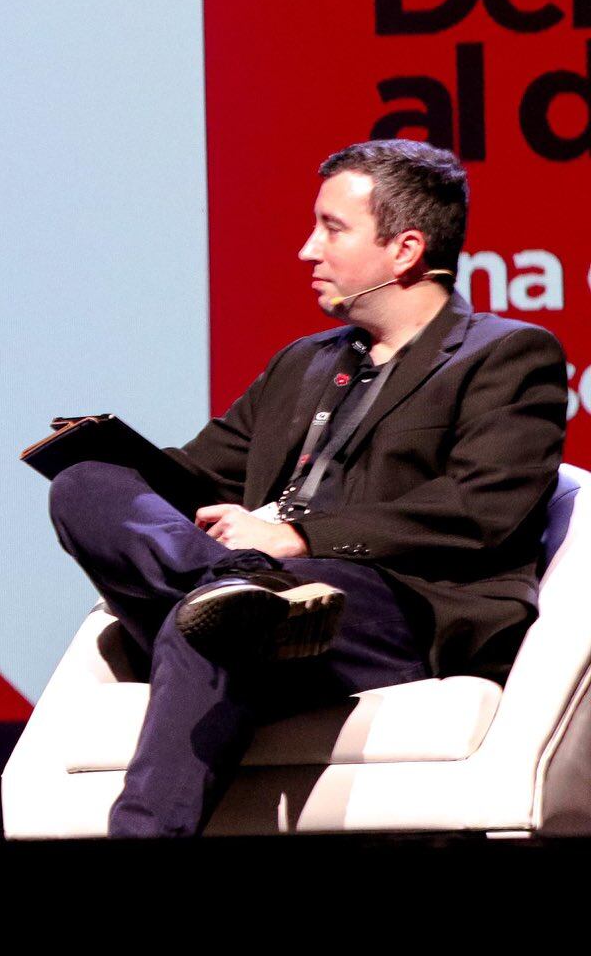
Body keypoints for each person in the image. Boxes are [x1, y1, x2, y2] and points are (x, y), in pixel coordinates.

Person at [47, 138, 568, 837]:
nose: (306, 250)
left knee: (206, 626)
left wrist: (299, 538)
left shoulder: (506, 354)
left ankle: (244, 600)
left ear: (405, 249)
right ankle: (246, 590)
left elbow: (482, 509)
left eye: (332, 228)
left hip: (394, 609)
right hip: (262, 594)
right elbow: (198, 474)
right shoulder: (304, 363)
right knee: (85, 485)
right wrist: (114, 459)